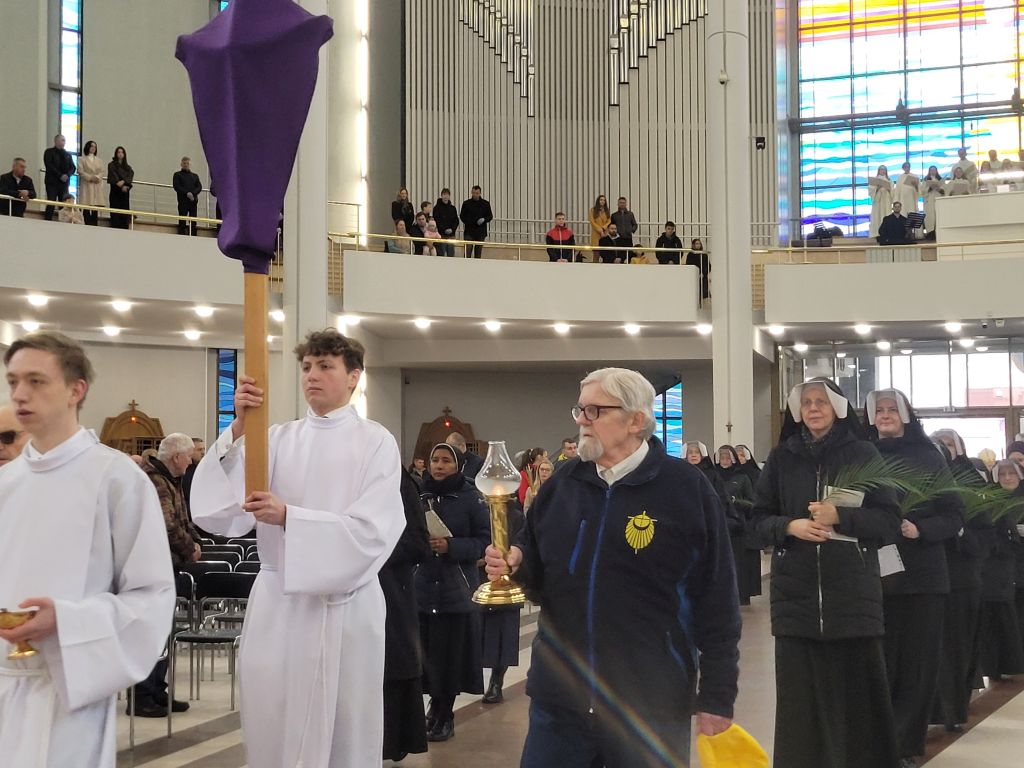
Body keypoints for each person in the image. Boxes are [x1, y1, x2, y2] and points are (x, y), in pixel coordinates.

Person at [483, 367, 741, 767]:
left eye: (595, 411)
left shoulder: (686, 489)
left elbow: (717, 596)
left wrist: (717, 695)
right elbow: (537, 566)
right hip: (560, 700)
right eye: (579, 410)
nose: (582, 421)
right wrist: (515, 563)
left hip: (649, 701)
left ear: (636, 420)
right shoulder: (562, 485)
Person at [189, 328, 405, 768]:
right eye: (306, 367)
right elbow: (219, 511)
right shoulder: (276, 438)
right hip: (280, 603)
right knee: (273, 717)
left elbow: (373, 531)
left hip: (346, 604)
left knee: (345, 724)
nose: (312, 376)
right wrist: (239, 427)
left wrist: (291, 517)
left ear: (354, 377)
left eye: (325, 366)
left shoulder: (376, 441)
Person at [0, 331, 174, 767]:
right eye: (13, 381)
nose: (20, 394)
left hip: (69, 684)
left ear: (76, 390)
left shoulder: (116, 479)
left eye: (36, 381)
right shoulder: (6, 483)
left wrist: (66, 621)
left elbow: (151, 597)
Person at [751, 377, 901, 768]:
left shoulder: (863, 453)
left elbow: (888, 520)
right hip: (796, 602)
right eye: (806, 403)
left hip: (852, 600)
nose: (813, 408)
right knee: (800, 708)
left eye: (821, 401)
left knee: (857, 703)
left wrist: (842, 517)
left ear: (837, 408)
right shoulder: (782, 458)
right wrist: (789, 526)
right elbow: (756, 521)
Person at [865, 389, 963, 768]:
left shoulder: (928, 457)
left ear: (906, 415)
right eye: (879, 410)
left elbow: (953, 515)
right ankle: (878, 741)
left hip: (922, 577)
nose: (886, 415)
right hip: (873, 576)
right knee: (879, 663)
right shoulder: (862, 456)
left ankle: (904, 746)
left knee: (916, 664)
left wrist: (919, 529)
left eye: (893, 409)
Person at [415, 443, 490, 742]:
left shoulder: (471, 498)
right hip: (423, 588)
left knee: (449, 658)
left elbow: (484, 541)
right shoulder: (420, 495)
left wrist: (451, 546)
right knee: (427, 657)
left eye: (446, 460)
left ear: (458, 465)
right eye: (435, 459)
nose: (439, 465)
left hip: (456, 589)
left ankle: (445, 713)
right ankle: (433, 708)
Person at [929, 428, 993, 733]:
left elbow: (985, 535)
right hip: (928, 575)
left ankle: (954, 707)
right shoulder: (924, 480)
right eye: (938, 444)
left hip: (962, 576)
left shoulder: (971, 483)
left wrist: (958, 531)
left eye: (948, 444)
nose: (943, 449)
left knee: (957, 647)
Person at [134, 433, 202, 717]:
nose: (191, 461)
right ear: (176, 457)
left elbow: (183, 518)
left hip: (167, 563)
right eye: (189, 455)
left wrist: (196, 541)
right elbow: (166, 525)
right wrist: (190, 548)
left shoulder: (170, 480)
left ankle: (157, 689)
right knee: (151, 630)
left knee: (164, 629)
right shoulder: (155, 481)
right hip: (152, 566)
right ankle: (142, 695)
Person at [381, 469, 431, 762]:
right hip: (350, 591)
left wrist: (370, 548)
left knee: (391, 664)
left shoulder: (401, 483)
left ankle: (393, 741)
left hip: (390, 588)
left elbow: (418, 544)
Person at [978, 460, 1024, 681]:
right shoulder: (991, 502)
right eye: (1002, 474)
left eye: (1011, 473)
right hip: (1001, 569)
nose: (1007, 478)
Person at [481, 491, 526, 704]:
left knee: (503, 635)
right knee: (484, 634)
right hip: (482, 578)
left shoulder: (515, 516)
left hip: (508, 580)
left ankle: (496, 681)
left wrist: (511, 559)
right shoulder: (479, 510)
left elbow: (521, 544)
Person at [717, 445, 761, 606]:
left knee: (740, 562)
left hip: (739, 525)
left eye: (728, 458)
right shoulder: (714, 477)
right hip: (719, 524)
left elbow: (753, 502)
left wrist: (736, 502)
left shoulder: (743, 478)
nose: (725, 461)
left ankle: (741, 594)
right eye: (722, 458)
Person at [42, 134, 76, 222]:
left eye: (64, 140)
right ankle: (47, 221)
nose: (64, 142)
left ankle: (63, 222)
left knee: (63, 204)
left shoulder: (67, 154)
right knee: (51, 202)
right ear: (56, 141)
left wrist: (67, 175)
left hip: (64, 183)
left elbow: (73, 167)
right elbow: (49, 165)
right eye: (62, 140)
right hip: (52, 182)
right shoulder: (49, 152)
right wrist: (60, 175)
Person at [459, 185, 493, 258]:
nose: (475, 195)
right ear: (471, 192)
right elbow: (462, 216)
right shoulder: (466, 203)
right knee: (467, 251)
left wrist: (484, 219)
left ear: (480, 193)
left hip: (481, 232)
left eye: (477, 193)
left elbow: (490, 216)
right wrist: (470, 222)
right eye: (473, 193)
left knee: (478, 253)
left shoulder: (486, 204)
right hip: (469, 231)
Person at [173, 156, 203, 236]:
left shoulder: (195, 176)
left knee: (193, 220)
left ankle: (193, 235)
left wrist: (193, 193)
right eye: (184, 163)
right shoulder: (177, 175)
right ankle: (181, 235)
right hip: (183, 201)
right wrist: (187, 193)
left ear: (190, 165)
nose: (186, 165)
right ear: (181, 164)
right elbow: (177, 186)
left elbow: (199, 187)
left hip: (193, 201)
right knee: (182, 219)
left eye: (187, 163)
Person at [107, 146, 134, 229]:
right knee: (115, 215)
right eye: (118, 152)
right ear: (116, 154)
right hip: (115, 192)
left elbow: (130, 177)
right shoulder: (111, 165)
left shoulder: (128, 168)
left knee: (124, 216)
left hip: (124, 194)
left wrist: (124, 182)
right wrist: (121, 184)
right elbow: (113, 177)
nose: (120, 154)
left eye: (122, 152)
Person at [77, 141, 103, 225]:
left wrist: (97, 177)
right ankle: (87, 222)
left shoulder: (99, 160)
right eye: (91, 146)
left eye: (95, 147)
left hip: (96, 185)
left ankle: (94, 223)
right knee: (86, 204)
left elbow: (102, 172)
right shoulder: (81, 159)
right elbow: (80, 171)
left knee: (95, 205)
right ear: (88, 147)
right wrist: (90, 177)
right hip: (86, 184)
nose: (93, 148)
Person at [869, 164, 894, 238]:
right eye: (881, 169)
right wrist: (877, 188)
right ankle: (877, 232)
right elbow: (871, 191)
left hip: (886, 200)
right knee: (878, 215)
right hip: (878, 201)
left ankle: (887, 232)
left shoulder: (889, 180)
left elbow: (893, 192)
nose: (883, 171)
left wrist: (889, 190)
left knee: (886, 215)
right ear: (879, 171)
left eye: (884, 169)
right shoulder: (875, 179)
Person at [434, 187, 459, 257]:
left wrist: (452, 229)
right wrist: (444, 229)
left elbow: (456, 220)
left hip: (451, 235)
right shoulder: (437, 208)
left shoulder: (453, 208)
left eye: (447, 194)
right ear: (441, 195)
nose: (446, 196)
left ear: (449, 196)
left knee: (451, 253)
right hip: (441, 234)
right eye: (444, 194)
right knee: (441, 253)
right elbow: (437, 220)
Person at [922, 166, 944, 234]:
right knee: (930, 216)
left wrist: (939, 189)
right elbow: (922, 191)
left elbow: (945, 190)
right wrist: (930, 189)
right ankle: (930, 232)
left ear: (936, 171)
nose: (933, 171)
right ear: (929, 171)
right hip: (929, 201)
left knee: (938, 215)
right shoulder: (926, 180)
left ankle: (939, 232)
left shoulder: (940, 179)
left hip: (938, 200)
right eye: (931, 170)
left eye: (934, 170)